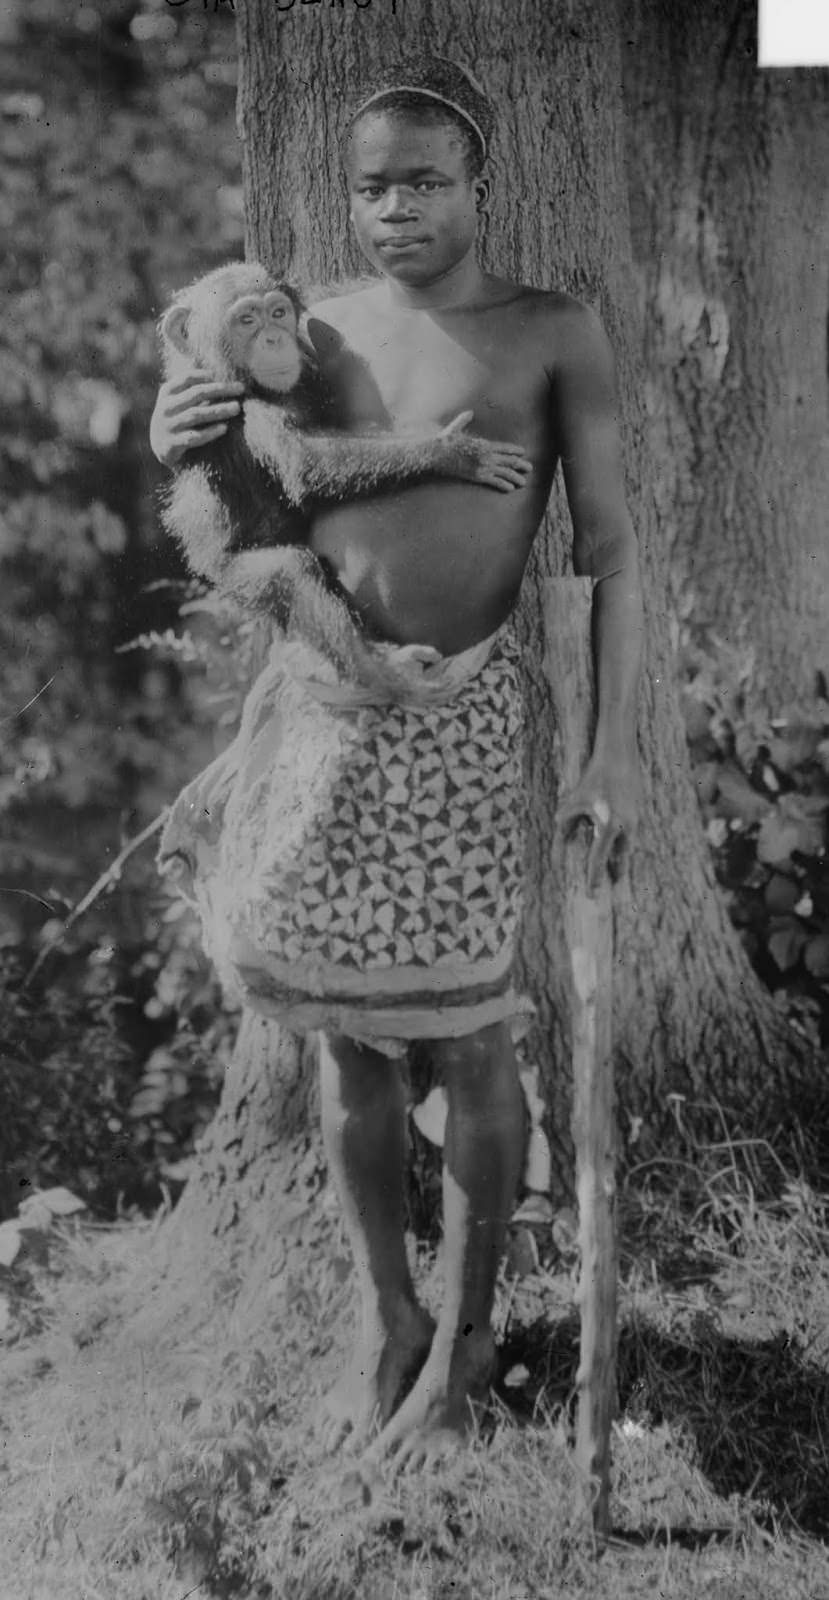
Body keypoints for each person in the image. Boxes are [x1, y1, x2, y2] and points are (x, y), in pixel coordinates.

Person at [149, 56, 644, 1472]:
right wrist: (176, 424)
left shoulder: (551, 331)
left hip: (468, 721)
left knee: (468, 1033)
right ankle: (388, 1317)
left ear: (477, 185)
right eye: (371, 187)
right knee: (352, 1041)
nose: (395, 210)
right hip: (328, 708)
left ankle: (474, 1343)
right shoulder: (315, 329)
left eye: (423, 181)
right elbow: (218, 446)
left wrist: (609, 752)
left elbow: (607, 555)